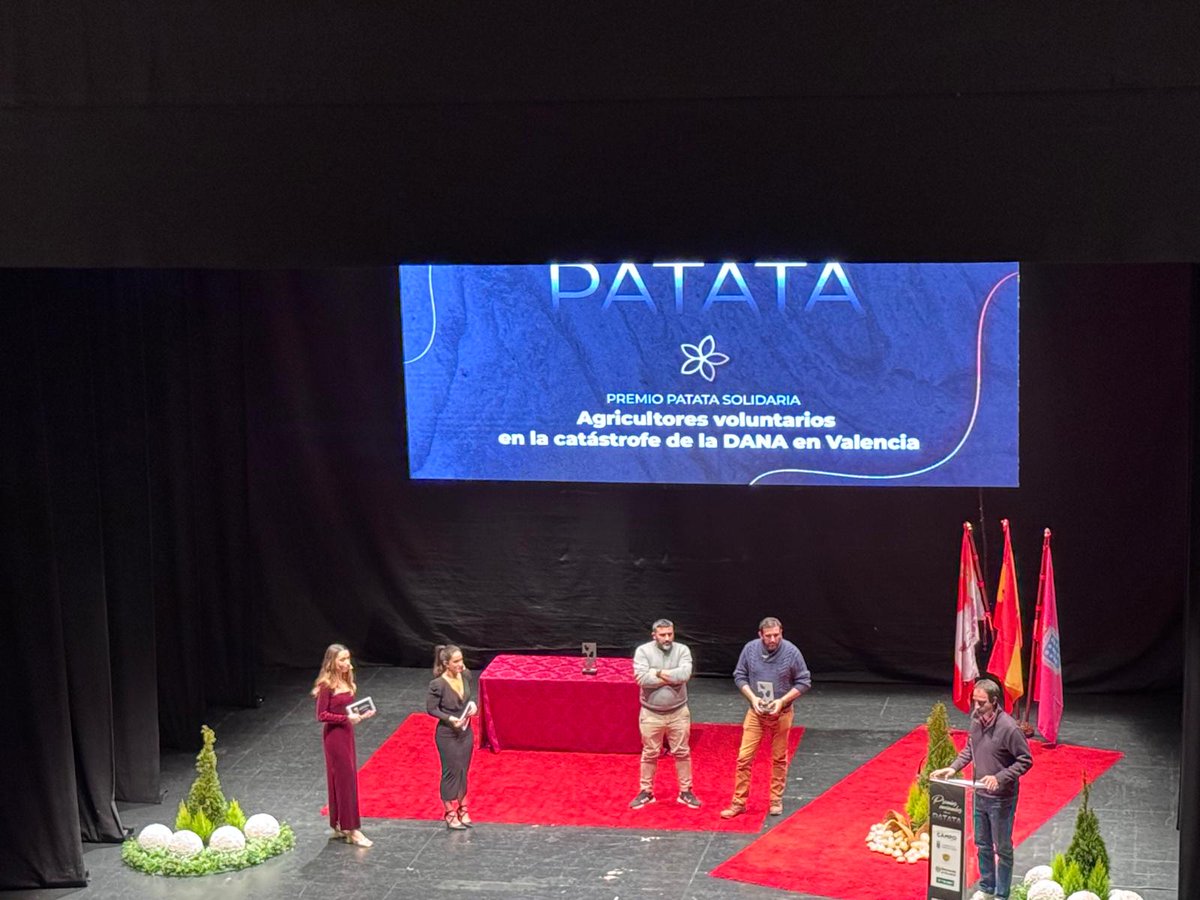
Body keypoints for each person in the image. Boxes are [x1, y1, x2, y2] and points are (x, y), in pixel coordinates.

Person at [931, 677, 1033, 900]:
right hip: (980, 794)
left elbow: (1025, 760)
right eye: (974, 702)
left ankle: (1001, 894)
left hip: (1001, 799)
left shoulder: (1009, 728)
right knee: (982, 843)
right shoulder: (976, 720)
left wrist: (1000, 777)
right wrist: (953, 768)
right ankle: (987, 888)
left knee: (1002, 849)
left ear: (995, 702)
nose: (976, 708)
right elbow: (971, 747)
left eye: (981, 703)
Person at [720, 616, 811, 819]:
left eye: (776, 635)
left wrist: (782, 701)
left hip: (782, 713)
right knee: (744, 758)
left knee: (779, 758)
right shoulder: (750, 649)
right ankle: (739, 802)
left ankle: (775, 800)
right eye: (768, 636)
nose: (773, 640)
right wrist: (752, 698)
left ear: (782, 633)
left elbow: (804, 681)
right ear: (760, 635)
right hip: (756, 712)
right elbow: (739, 675)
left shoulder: (791, 652)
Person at [630, 618, 701, 810]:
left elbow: (684, 675)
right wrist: (671, 676)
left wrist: (658, 673)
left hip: (678, 712)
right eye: (663, 635)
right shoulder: (643, 651)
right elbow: (642, 679)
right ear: (654, 636)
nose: (667, 638)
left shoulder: (682, 650)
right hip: (651, 714)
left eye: (670, 634)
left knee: (682, 752)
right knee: (650, 753)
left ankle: (685, 792)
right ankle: (646, 792)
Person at [312, 643, 375, 847]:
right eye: (342, 660)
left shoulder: (347, 679)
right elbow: (322, 715)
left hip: (346, 734)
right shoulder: (326, 685)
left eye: (348, 659)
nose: (347, 663)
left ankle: (339, 824)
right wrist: (346, 719)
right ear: (332, 662)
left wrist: (361, 714)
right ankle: (352, 829)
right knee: (345, 780)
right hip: (335, 737)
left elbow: (347, 710)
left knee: (342, 779)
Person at [427, 644, 477, 830]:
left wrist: (470, 709)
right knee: (451, 771)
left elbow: (466, 699)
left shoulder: (465, 675)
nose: (460, 664)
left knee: (463, 770)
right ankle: (449, 811)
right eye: (456, 661)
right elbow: (432, 709)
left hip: (465, 731)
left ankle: (463, 808)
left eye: (461, 660)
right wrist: (449, 718)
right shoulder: (437, 684)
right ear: (446, 663)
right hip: (447, 734)